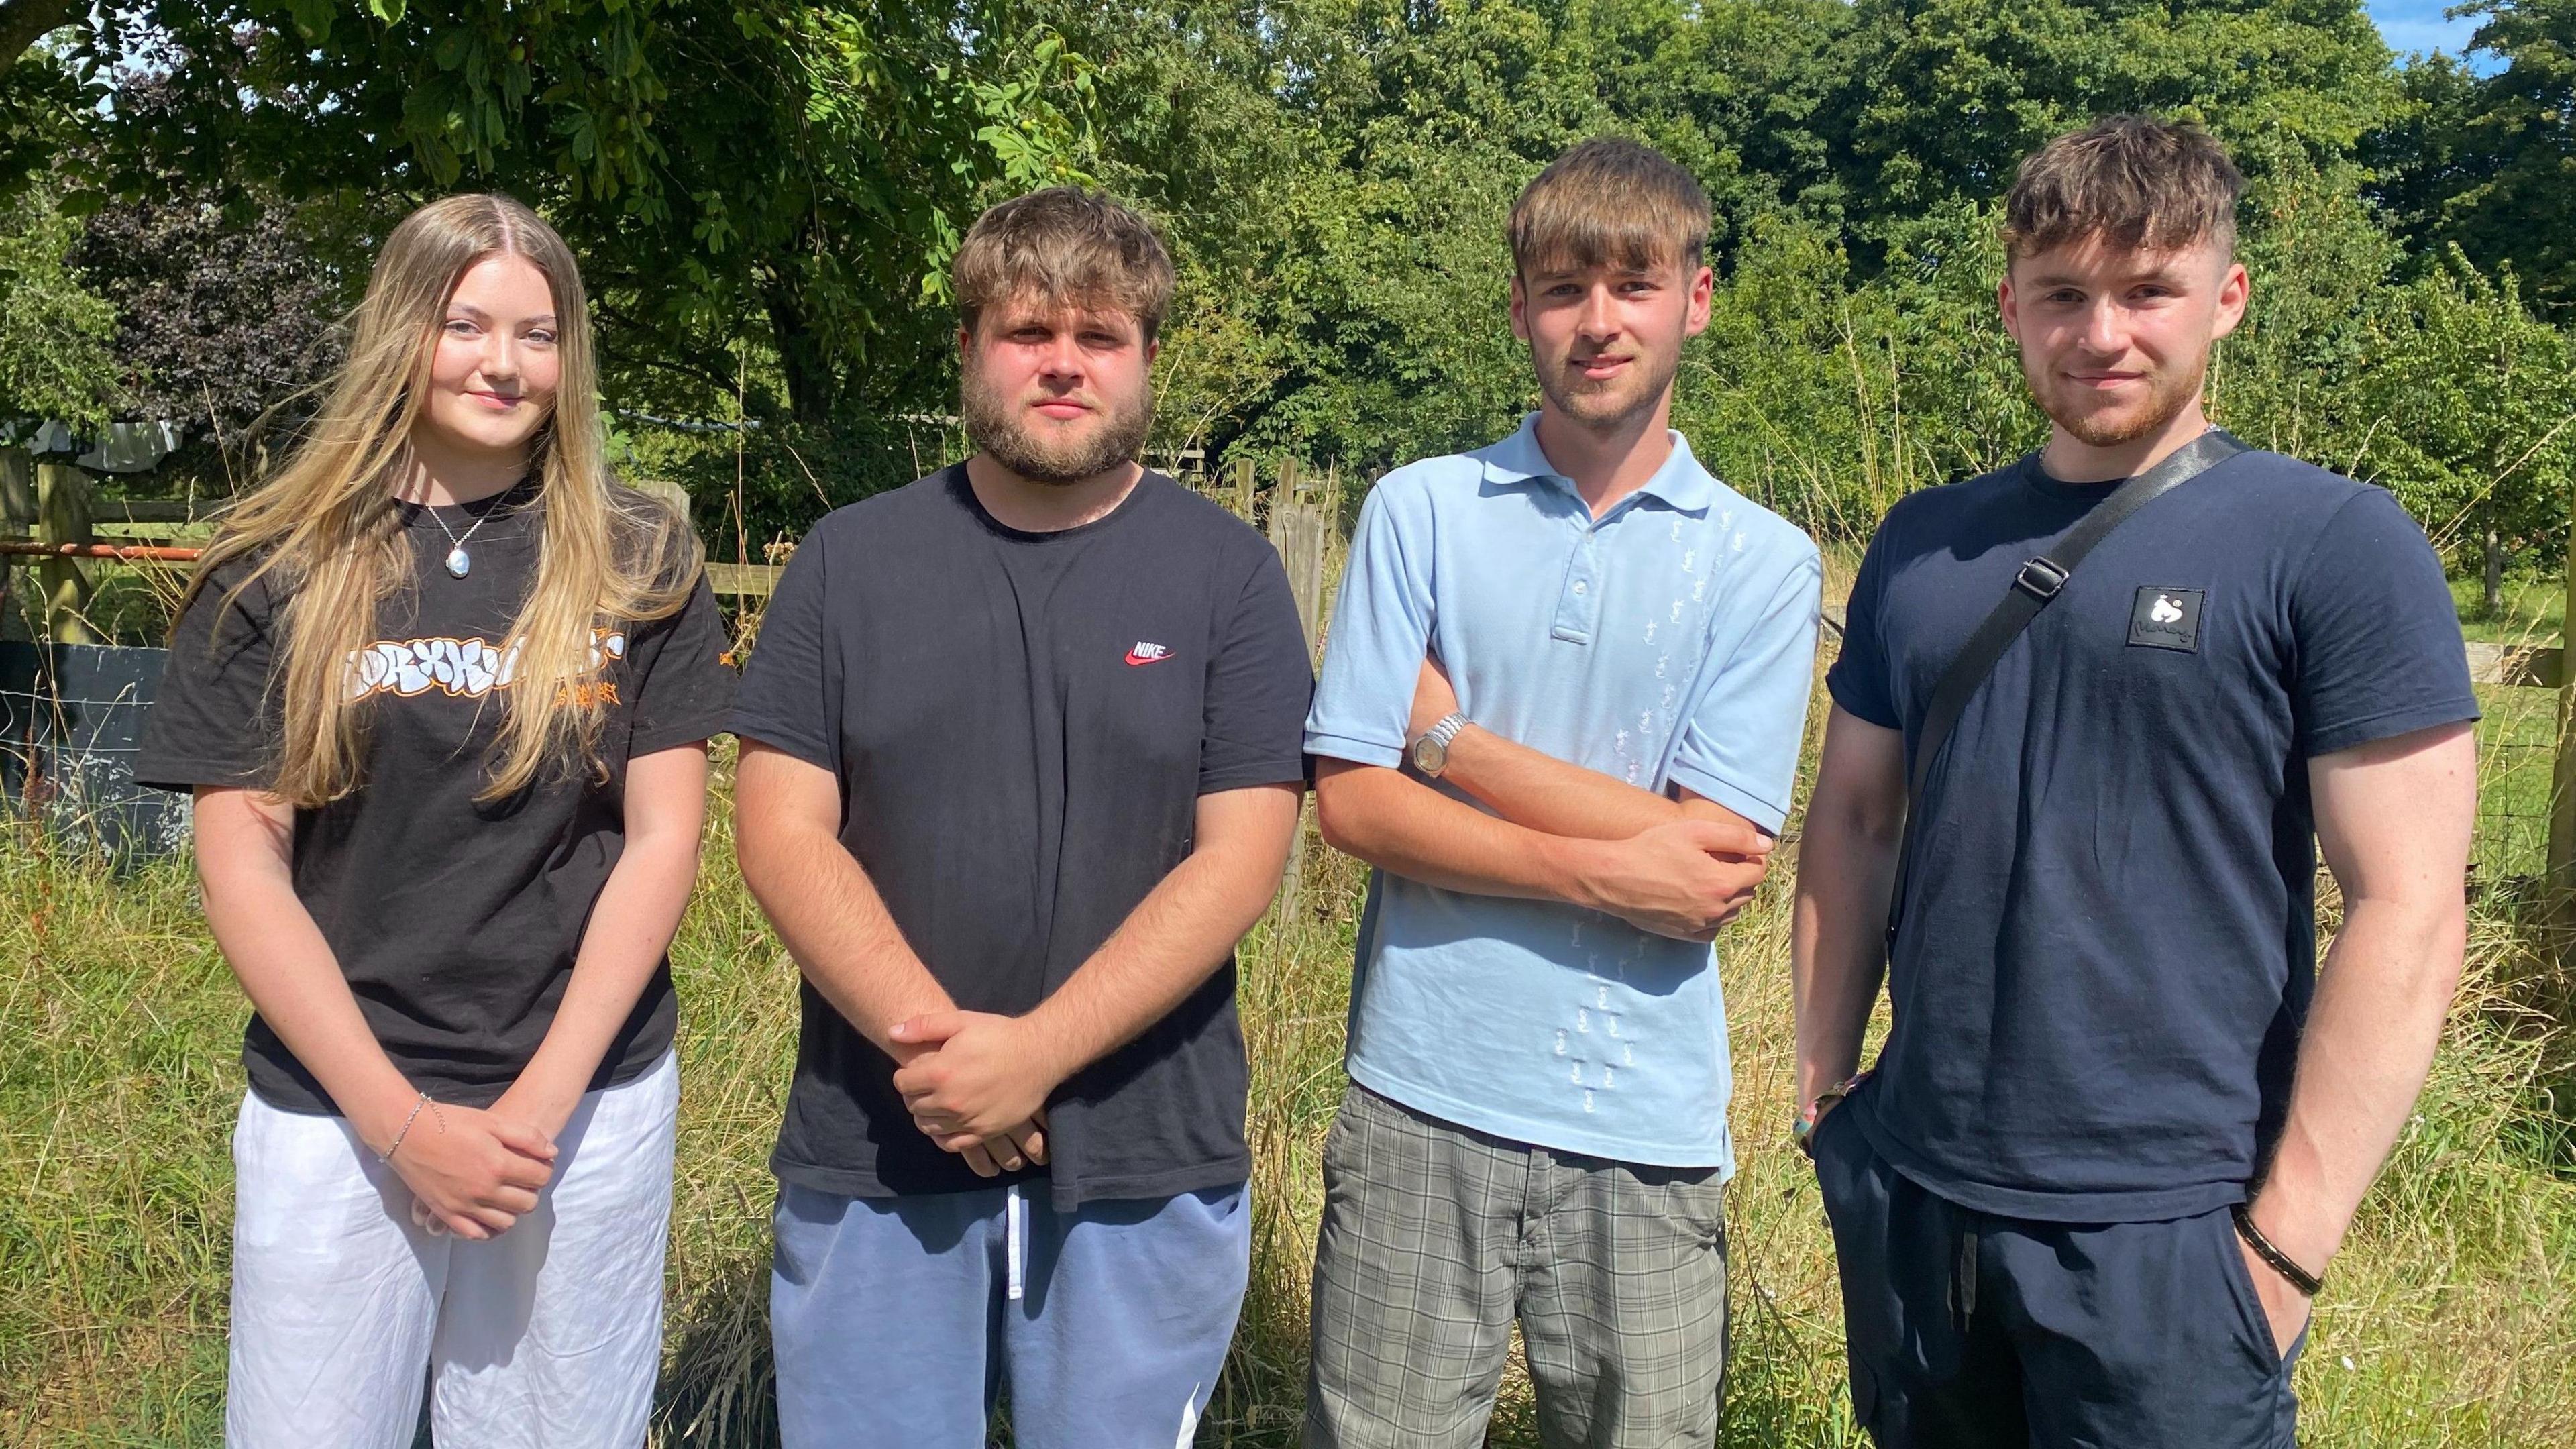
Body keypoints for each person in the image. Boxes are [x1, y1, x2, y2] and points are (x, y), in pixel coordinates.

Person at [1792, 115, 2477, 1448]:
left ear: (2226, 298)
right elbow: (1859, 815)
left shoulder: (2333, 543)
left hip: (2172, 1224)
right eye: (2063, 295)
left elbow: (2410, 906)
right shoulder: (1924, 545)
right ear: (2010, 307)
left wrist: (2282, 1253)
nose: (2101, 333)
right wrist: (1826, 1084)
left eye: (2148, 290)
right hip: (1921, 1193)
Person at [135, 193, 735, 1448]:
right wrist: (398, 1123)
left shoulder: (642, 558)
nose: (503, 364)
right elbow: (245, 858)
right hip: (337, 1103)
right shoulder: (273, 562)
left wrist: (535, 1109)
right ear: (402, 332)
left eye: (538, 332)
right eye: (466, 325)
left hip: (582, 1110)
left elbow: (664, 841)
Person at [729, 186, 1313, 1449]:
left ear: (1147, 358)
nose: (1064, 363)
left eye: (1100, 336)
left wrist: (1035, 1057)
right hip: (879, 1142)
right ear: (967, 350)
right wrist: (947, 1062)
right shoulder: (849, 561)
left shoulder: (1230, 578)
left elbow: (1242, 861)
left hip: (1143, 1154)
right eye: (1027, 331)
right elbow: (778, 830)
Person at [1301, 138, 1823, 1448]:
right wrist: (1606, 867)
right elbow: (1352, 809)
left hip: (1643, 1128)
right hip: (1420, 1095)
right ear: (1521, 307)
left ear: (1695, 299)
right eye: (1561, 288)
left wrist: (1449, 743)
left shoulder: (1762, 562)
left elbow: (1710, 865)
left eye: (1633, 284)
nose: (1598, 323)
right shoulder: (1420, 510)